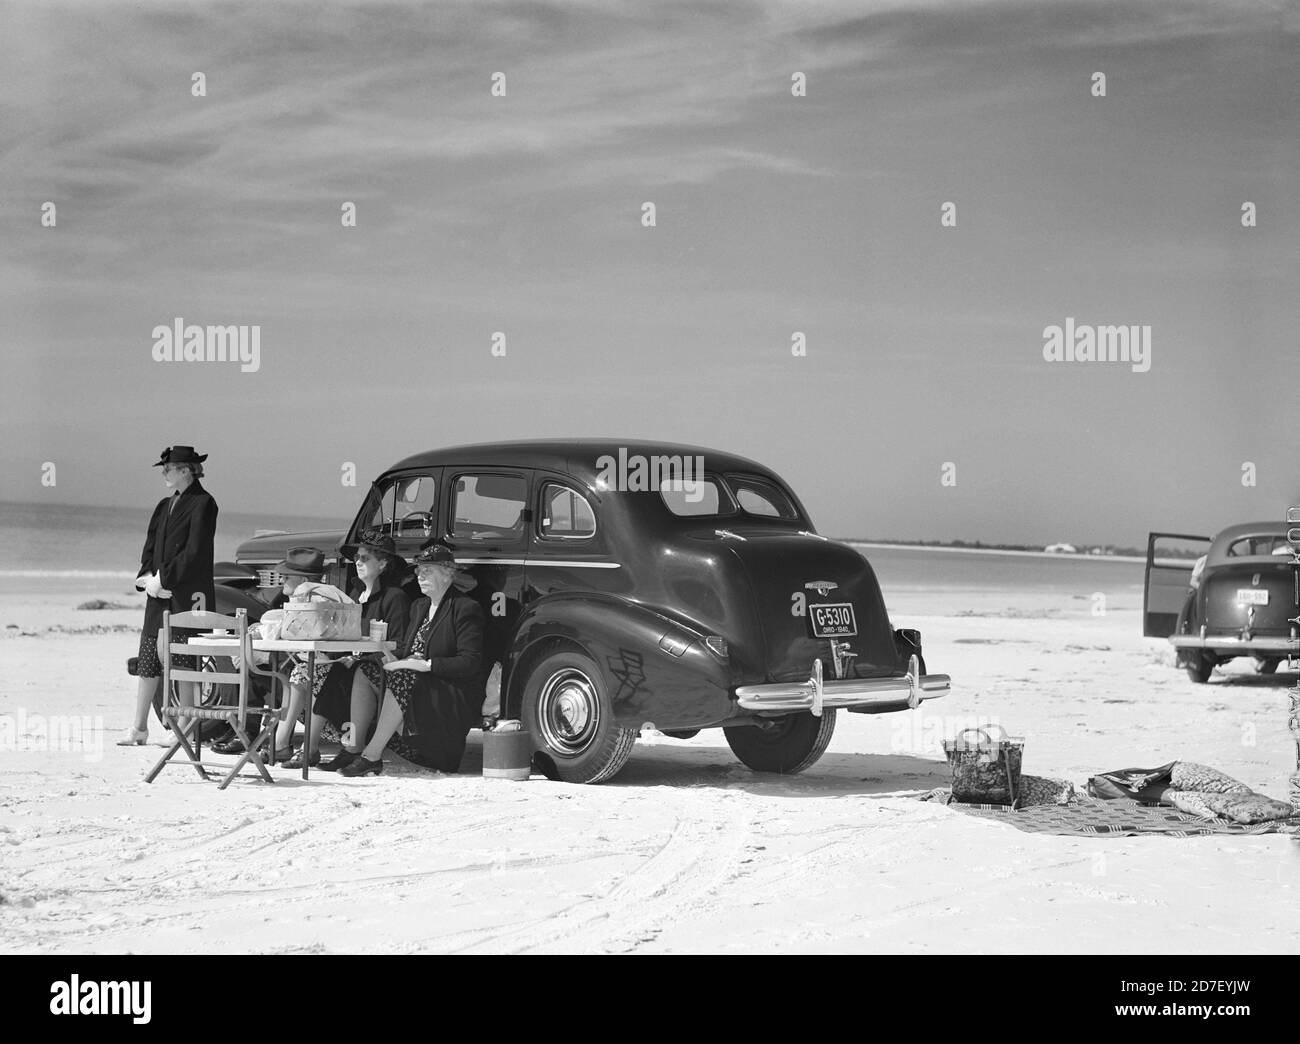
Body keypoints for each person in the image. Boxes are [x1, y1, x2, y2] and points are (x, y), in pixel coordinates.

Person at [340, 541, 485, 777]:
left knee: (403, 675)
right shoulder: (419, 606)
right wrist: (388, 656)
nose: (420, 576)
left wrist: (427, 665)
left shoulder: (465, 608)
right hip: (415, 682)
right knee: (365, 670)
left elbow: (469, 662)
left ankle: (372, 755)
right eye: (418, 571)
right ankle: (354, 745)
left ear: (448, 574)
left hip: (446, 688)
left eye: (428, 570)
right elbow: (408, 648)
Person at [280, 532, 411, 770]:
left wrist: (359, 657)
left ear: (382, 564)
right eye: (357, 558)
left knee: (329, 674)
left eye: (365, 558)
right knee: (307, 670)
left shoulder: (395, 598)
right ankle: (305, 747)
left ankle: (324, 748)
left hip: (378, 668)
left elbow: (399, 645)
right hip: (348, 664)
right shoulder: (354, 596)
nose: (358, 562)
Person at [119, 445, 218, 746]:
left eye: (169, 468)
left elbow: (196, 551)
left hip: (186, 594)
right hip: (157, 594)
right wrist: (147, 576)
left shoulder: (205, 503)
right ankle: (138, 728)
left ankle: (187, 728)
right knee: (149, 659)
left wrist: (166, 578)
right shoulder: (164, 505)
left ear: (186, 470)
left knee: (184, 662)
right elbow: (151, 545)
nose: (164, 472)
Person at [210, 546, 327, 756]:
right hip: (290, 668)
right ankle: (247, 732)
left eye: (286, 576)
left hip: (304, 673)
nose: (281, 580)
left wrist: (261, 650)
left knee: (255, 662)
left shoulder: (318, 605)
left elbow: (303, 650)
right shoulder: (289, 601)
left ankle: (262, 735)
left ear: (302, 581)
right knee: (249, 664)